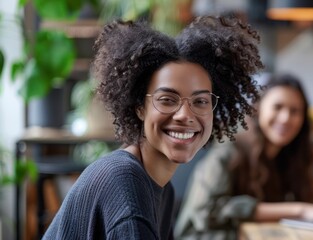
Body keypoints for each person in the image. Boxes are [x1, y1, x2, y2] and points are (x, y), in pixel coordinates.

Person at [42, 16, 263, 240]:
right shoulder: (124, 182)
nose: (185, 115)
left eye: (200, 101)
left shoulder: (163, 189)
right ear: (140, 107)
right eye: (167, 99)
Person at [175, 74, 313, 239]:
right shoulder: (229, 150)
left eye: (294, 111)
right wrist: (301, 210)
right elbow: (207, 211)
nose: (286, 118)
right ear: (259, 109)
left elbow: (312, 191)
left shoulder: (291, 155)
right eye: (277, 107)